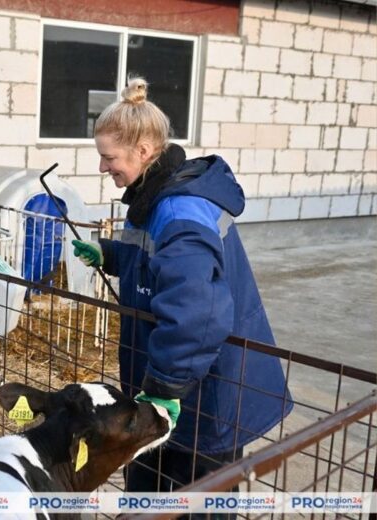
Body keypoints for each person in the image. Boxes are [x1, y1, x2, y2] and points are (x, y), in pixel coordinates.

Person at [72, 78, 293, 494]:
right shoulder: (153, 196)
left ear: (143, 151)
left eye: (108, 157)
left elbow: (197, 309)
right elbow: (165, 267)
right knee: (148, 489)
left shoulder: (179, 207)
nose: (103, 168)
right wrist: (111, 255)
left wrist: (163, 391)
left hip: (203, 393)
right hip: (178, 381)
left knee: (199, 498)